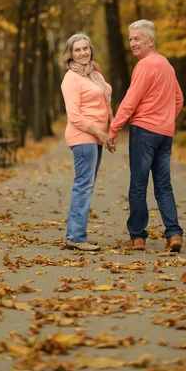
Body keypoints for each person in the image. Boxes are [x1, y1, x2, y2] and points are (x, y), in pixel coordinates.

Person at [108, 20, 184, 252]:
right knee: (163, 185)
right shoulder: (167, 66)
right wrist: (166, 118)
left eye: (137, 38)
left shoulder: (144, 66)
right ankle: (173, 234)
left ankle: (138, 238)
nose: (132, 43)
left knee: (138, 185)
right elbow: (179, 99)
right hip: (165, 134)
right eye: (130, 39)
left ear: (150, 41)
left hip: (144, 132)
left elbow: (130, 101)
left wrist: (113, 129)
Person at [61, 33, 113, 252]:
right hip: (83, 137)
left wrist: (110, 131)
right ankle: (75, 236)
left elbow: (105, 104)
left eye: (85, 48)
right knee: (83, 185)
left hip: (97, 137)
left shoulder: (94, 74)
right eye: (77, 50)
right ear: (70, 55)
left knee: (86, 185)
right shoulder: (71, 79)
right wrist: (100, 134)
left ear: (91, 49)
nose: (82, 53)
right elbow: (75, 116)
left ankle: (76, 234)